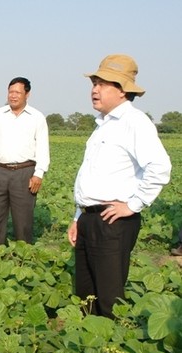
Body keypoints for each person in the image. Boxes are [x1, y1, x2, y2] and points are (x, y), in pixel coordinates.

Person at [67, 54, 171, 318]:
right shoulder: (102, 126)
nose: (94, 89)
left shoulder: (135, 123)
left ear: (123, 91)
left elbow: (160, 168)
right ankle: (87, 347)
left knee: (109, 295)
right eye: (94, 82)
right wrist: (78, 217)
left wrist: (133, 205)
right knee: (85, 292)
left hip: (112, 222)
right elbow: (92, 177)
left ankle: (110, 350)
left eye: (103, 84)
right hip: (90, 219)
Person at [0, 77, 50, 258]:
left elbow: (43, 148)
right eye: (10, 92)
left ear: (27, 94)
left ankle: (23, 255)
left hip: (25, 172)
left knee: (23, 218)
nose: (13, 96)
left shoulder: (37, 118)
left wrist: (39, 173)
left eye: (17, 92)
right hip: (0, 171)